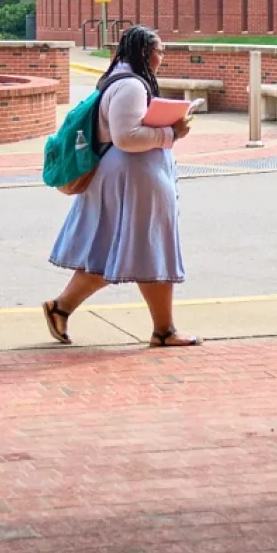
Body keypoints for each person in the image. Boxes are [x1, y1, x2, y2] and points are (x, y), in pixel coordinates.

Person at [43, 26, 199, 347]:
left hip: (129, 179)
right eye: (159, 51)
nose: (161, 57)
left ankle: (61, 308)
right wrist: (172, 133)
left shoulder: (121, 79)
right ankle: (164, 331)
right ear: (144, 52)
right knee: (150, 249)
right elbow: (126, 137)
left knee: (114, 250)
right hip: (133, 181)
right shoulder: (131, 85)